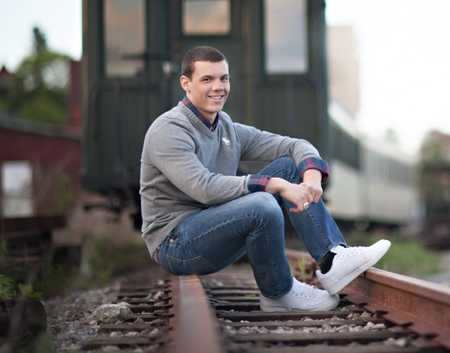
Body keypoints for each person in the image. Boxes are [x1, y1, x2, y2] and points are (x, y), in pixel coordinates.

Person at [139, 46, 390, 312]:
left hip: (214, 225)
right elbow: (204, 188)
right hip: (176, 243)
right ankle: (278, 292)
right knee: (262, 204)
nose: (218, 87)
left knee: (288, 167)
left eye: (223, 78)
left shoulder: (225, 128)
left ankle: (332, 258)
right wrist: (275, 185)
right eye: (207, 79)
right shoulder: (168, 130)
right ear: (186, 84)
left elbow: (294, 145)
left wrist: (312, 175)